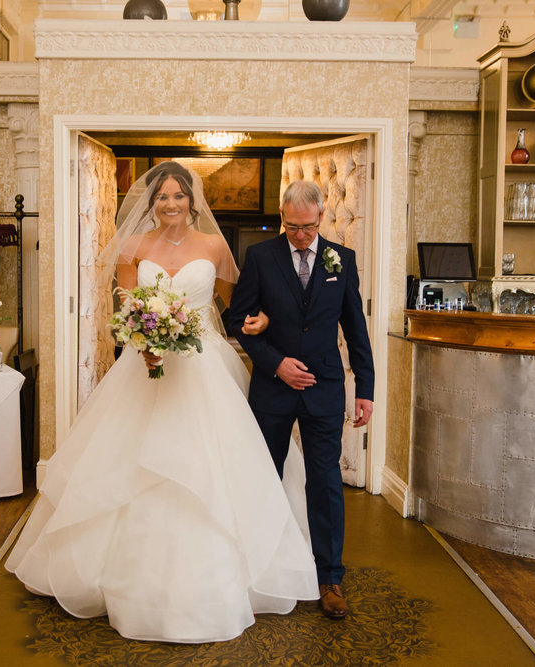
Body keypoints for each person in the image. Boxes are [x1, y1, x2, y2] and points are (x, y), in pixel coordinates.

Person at [5, 161, 318, 643]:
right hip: (145, 365)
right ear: (150, 203)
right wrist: (145, 339)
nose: (171, 204)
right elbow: (128, 307)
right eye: (162, 197)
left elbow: (238, 310)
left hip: (203, 364)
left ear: (193, 201)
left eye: (179, 196)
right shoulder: (133, 247)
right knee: (125, 463)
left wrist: (261, 324)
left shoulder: (215, 247)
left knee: (214, 464)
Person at [229, 180, 375, 620]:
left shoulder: (342, 260)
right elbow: (238, 319)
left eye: (307, 228)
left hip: (325, 388)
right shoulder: (259, 256)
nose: (300, 235)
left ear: (321, 217)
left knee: (326, 484)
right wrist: (275, 363)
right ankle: (259, 566)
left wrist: (364, 389)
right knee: (264, 478)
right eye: (291, 227)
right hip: (273, 389)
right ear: (282, 216)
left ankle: (329, 577)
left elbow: (355, 329)